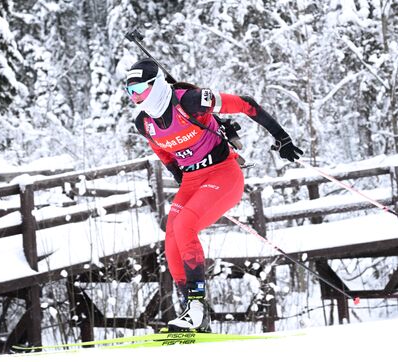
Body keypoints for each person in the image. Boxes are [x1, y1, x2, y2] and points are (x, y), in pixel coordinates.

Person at [125, 58, 303, 332]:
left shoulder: (191, 101)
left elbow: (246, 103)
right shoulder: (144, 123)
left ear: (155, 84)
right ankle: (195, 314)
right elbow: (162, 151)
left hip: (223, 174)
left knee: (185, 225)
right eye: (130, 92)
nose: (135, 97)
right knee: (171, 237)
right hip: (192, 181)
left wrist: (282, 138)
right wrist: (178, 174)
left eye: (139, 89)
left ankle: (196, 306)